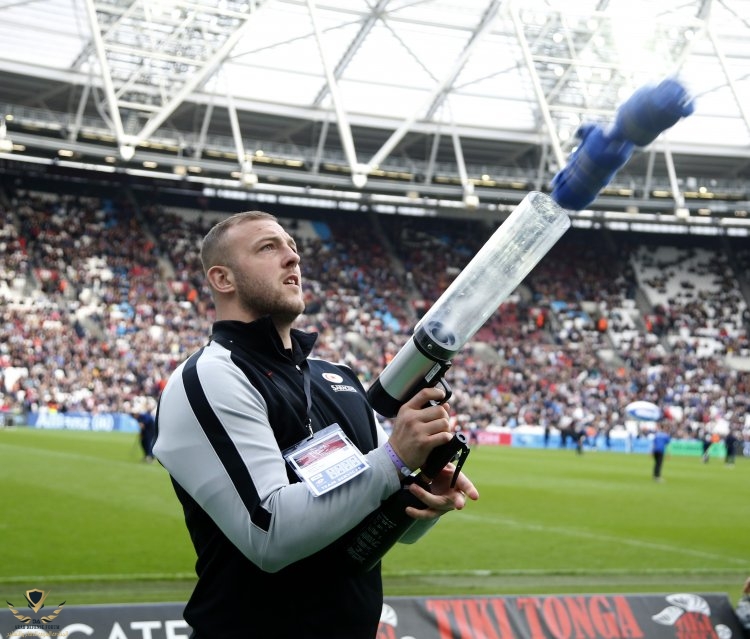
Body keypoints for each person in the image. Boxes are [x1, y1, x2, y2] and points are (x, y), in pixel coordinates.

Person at [153, 211, 479, 639]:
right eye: (268, 247)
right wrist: (394, 458)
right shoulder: (211, 375)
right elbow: (269, 535)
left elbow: (381, 517)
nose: (293, 257)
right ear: (222, 279)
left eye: (292, 245)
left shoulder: (338, 377)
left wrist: (420, 496)